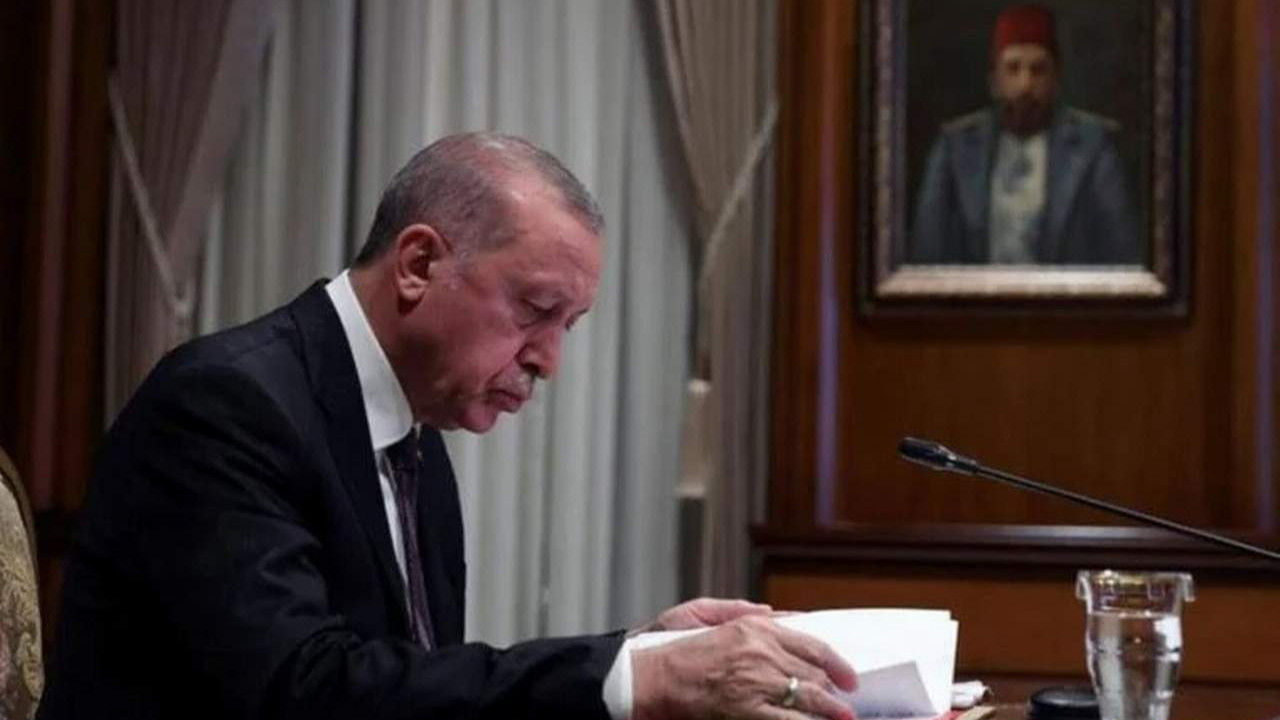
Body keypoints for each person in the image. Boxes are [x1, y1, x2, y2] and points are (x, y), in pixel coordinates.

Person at [38, 133, 858, 720]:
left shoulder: (412, 436)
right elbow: (304, 692)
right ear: (419, 264)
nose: (549, 362)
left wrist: (647, 651)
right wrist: (639, 679)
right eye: (535, 309)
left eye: (569, 326)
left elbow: (411, 689)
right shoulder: (224, 406)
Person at [911, 3, 1141, 265]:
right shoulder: (954, 147)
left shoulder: (1094, 146)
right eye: (1013, 69)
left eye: (1038, 70)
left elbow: (1121, 255)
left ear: (1056, 80)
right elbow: (928, 255)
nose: (1025, 85)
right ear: (994, 81)